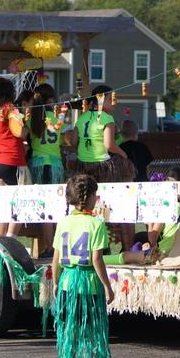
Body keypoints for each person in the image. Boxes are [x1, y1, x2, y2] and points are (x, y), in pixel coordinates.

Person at [52, 174, 117, 358]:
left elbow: (56, 258)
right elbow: (97, 259)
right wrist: (107, 286)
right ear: (89, 198)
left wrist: (55, 283)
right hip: (88, 286)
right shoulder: (96, 224)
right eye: (96, 195)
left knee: (70, 333)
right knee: (93, 333)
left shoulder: (63, 222)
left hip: (67, 284)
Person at [71, 85, 136, 249]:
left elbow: (73, 141)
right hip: (104, 168)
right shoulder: (107, 119)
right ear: (101, 100)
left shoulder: (82, 117)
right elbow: (109, 145)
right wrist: (124, 154)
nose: (113, 103)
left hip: (83, 167)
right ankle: (124, 245)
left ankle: (91, 244)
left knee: (87, 206)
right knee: (114, 205)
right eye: (110, 99)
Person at [0, 77, 29, 237]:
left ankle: (1, 244)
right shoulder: (11, 108)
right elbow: (20, 132)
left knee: (1, 205)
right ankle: (10, 240)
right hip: (12, 161)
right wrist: (27, 130)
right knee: (21, 202)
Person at [28, 83, 64, 256]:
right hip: (55, 164)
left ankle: (49, 247)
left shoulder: (32, 117)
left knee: (45, 207)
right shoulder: (56, 118)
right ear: (50, 100)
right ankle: (56, 246)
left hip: (38, 164)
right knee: (55, 206)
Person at [133, 166, 180, 256]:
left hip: (167, 252)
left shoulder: (165, 208)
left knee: (139, 246)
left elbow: (152, 240)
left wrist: (150, 223)